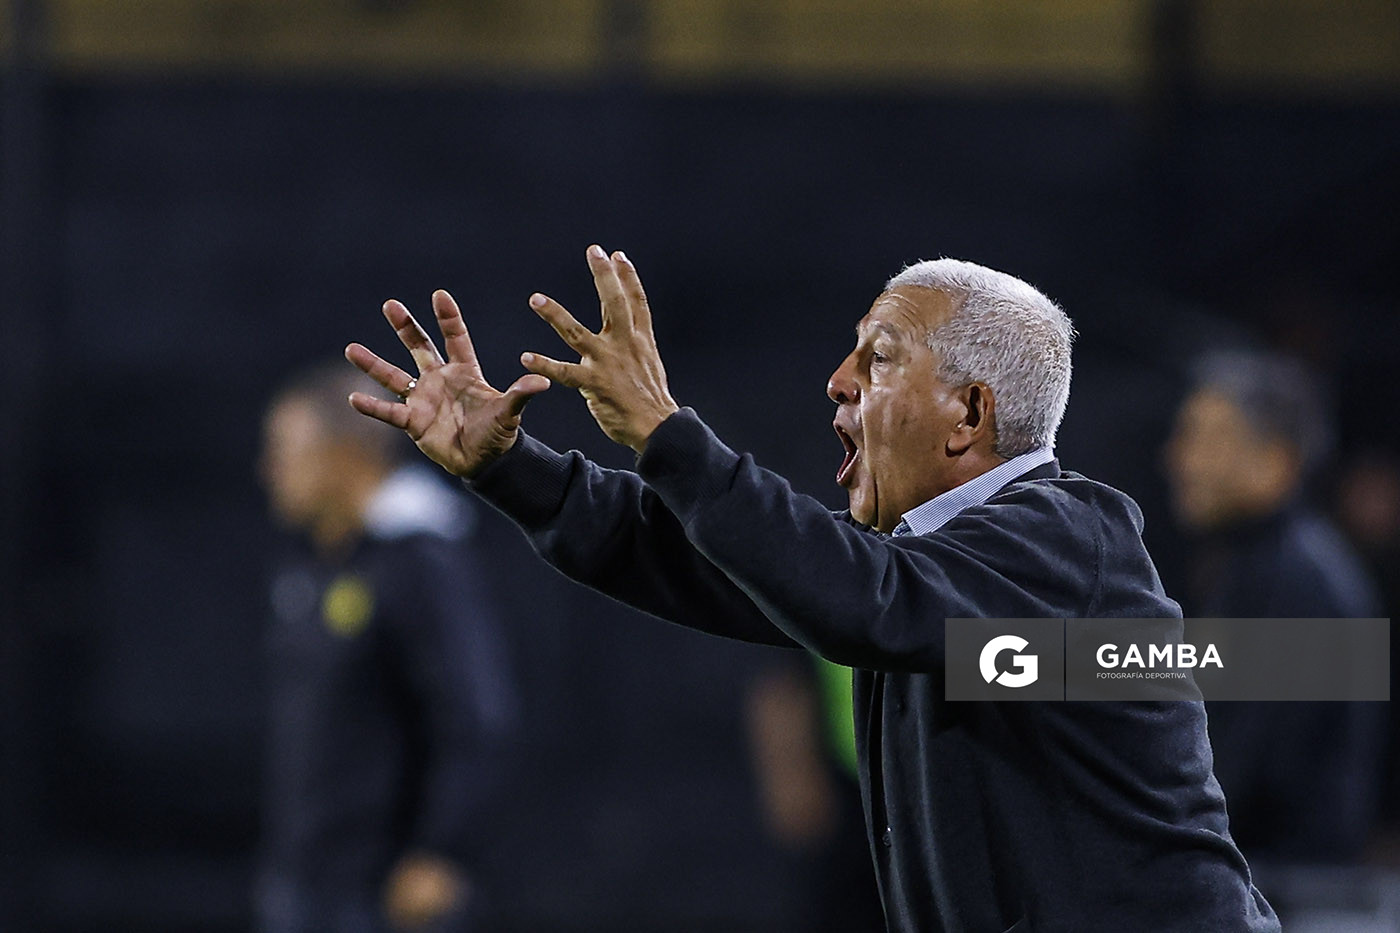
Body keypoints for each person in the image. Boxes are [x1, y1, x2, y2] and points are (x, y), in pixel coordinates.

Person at [344, 247, 1279, 931]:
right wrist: (511, 467)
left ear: (970, 412)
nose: (837, 381)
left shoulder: (1066, 538)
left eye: (879, 357)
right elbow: (692, 557)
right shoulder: (936, 567)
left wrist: (668, 432)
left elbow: (865, 597)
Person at [257, 363, 518, 932]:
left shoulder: (421, 563)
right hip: (306, 883)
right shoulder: (316, 565)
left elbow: (475, 717)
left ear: (346, 454)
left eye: (287, 450)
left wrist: (441, 850)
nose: (271, 470)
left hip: (384, 893)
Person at [1165, 349, 1386, 864]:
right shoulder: (1248, 564)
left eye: (1210, 439)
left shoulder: (1301, 584)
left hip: (1287, 888)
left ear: (1276, 461)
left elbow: (1237, 774)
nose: (1181, 459)